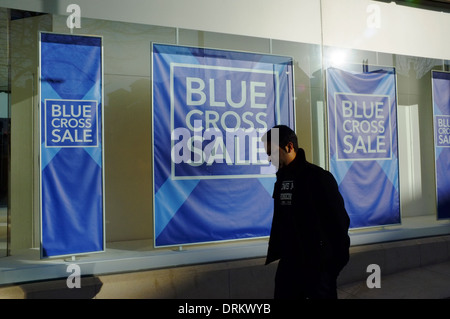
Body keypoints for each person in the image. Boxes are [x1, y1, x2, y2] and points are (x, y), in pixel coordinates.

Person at [262, 125, 350, 299]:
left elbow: (340, 222)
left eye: (272, 152)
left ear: (289, 147)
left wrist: (331, 268)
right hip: (289, 266)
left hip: (318, 269)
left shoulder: (318, 178)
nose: (269, 158)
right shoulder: (281, 180)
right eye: (267, 153)